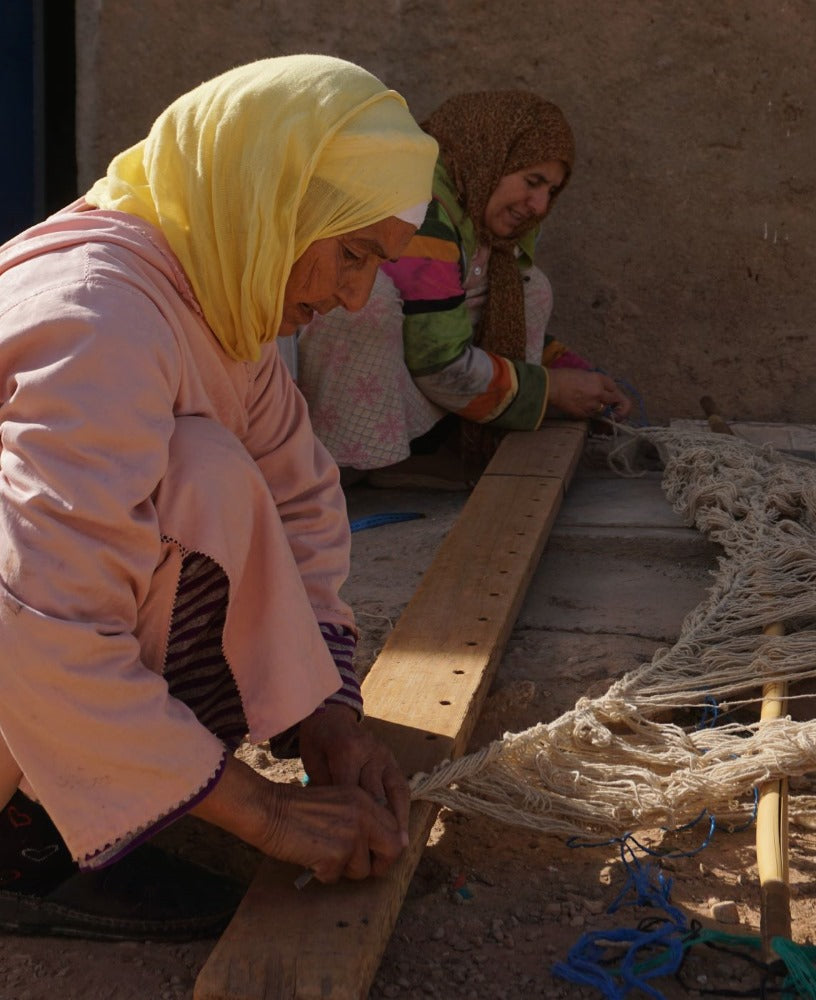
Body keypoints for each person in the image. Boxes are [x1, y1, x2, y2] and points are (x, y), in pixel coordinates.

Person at [0, 54, 438, 942]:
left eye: (374, 266)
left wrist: (327, 719)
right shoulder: (100, 320)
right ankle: (27, 836)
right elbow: (37, 622)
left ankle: (85, 799)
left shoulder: (205, 295)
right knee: (200, 476)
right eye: (351, 253)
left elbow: (302, 498)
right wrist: (265, 817)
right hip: (22, 658)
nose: (356, 297)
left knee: (214, 474)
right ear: (278, 200)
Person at [296, 89, 632, 488]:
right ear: (488, 157)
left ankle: (425, 453)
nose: (539, 205)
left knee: (531, 286)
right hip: (336, 405)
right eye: (533, 181)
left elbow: (476, 317)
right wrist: (550, 391)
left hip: (423, 366)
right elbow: (437, 361)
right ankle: (350, 468)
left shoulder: (478, 224)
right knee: (370, 304)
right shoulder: (423, 208)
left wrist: (576, 374)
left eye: (551, 191)